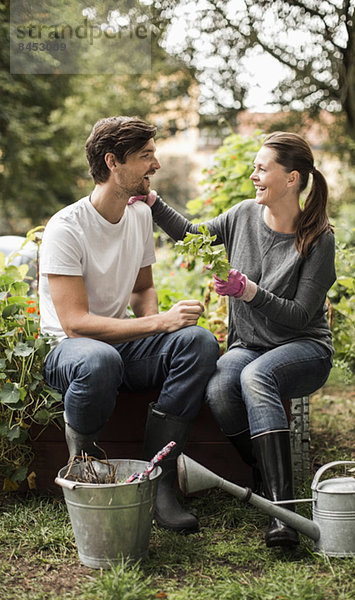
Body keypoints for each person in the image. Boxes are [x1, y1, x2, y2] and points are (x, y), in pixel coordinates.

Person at [136, 131, 336, 548]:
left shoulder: (318, 238)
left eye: (263, 169)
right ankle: (265, 476)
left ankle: (284, 513)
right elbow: (193, 234)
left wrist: (249, 292)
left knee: (256, 377)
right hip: (248, 346)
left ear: (292, 179)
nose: (254, 176)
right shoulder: (243, 214)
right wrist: (153, 204)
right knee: (222, 386)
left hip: (304, 348)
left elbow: (300, 315)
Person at [39, 116, 220, 533]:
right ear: (112, 162)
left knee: (197, 343)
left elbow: (142, 290)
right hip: (70, 351)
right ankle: (82, 467)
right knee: (99, 361)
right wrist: (157, 323)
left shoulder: (139, 215)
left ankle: (157, 479)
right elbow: (74, 324)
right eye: (145, 156)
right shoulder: (66, 228)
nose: (155, 165)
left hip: (116, 343)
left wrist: (162, 328)